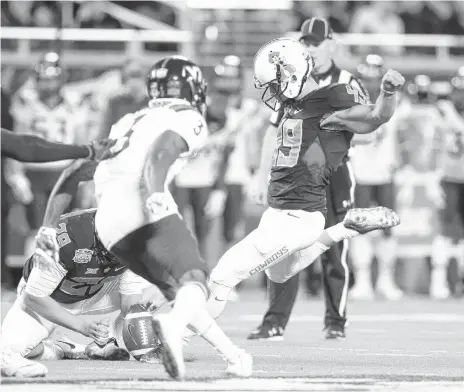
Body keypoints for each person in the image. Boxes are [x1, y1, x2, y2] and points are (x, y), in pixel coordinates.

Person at [34, 56, 253, 380]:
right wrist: (153, 192)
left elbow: (75, 171)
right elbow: (162, 150)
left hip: (107, 223)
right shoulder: (188, 116)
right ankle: (171, 327)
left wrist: (48, 227)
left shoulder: (128, 121)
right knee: (195, 280)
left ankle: (233, 356)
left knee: (180, 292)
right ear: (191, 87)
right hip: (144, 207)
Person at [203, 37, 403, 331]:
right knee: (279, 275)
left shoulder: (332, 99)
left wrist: (387, 92)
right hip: (277, 212)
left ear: (293, 73)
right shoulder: (292, 104)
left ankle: (175, 340)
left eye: (274, 83)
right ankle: (343, 229)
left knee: (221, 276)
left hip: (301, 216)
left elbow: (375, 118)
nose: (271, 91)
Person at [248, 17, 371, 342]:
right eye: (307, 42)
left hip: (334, 172)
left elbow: (371, 131)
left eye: (316, 42)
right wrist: (260, 177)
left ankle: (336, 321)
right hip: (296, 176)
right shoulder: (293, 78)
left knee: (334, 249)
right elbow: (271, 132)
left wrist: (329, 135)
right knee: (282, 247)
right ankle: (274, 322)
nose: (311, 48)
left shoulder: (347, 81)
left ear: (331, 42)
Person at [0, 207, 153, 378]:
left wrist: (145, 336)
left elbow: (131, 304)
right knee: (9, 352)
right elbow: (33, 296)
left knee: (163, 288)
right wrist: (81, 326)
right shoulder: (67, 237)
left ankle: (105, 341)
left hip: (98, 291)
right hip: (48, 299)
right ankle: (62, 348)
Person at [349, 55, 403, 300]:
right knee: (360, 226)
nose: (371, 82)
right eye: (367, 77)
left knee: (388, 227)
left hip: (385, 171)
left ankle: (385, 279)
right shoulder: (351, 102)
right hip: (360, 171)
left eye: (374, 77)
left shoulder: (397, 101)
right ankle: (362, 280)